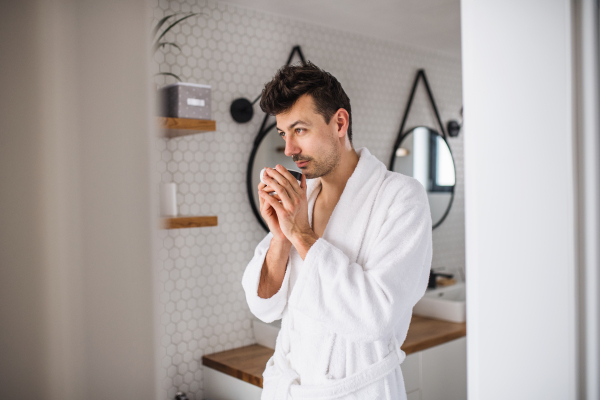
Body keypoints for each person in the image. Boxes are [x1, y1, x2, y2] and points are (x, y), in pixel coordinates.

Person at [241, 61, 432, 400]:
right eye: (284, 134)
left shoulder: (400, 197)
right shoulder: (303, 200)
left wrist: (301, 235)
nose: (289, 149)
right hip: (290, 388)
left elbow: (375, 317)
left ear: (339, 122)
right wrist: (281, 238)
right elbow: (264, 306)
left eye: (300, 130)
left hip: (358, 391)